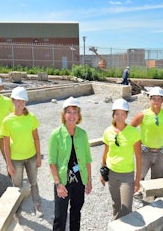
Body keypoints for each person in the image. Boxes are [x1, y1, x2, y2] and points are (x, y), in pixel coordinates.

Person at [48, 96, 92, 231]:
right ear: (64, 114)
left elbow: (88, 159)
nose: (72, 116)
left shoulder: (83, 134)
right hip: (62, 181)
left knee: (76, 213)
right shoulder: (56, 135)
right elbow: (52, 162)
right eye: (69, 112)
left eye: (75, 112)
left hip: (79, 179)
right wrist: (58, 184)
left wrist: (89, 180)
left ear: (79, 115)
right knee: (60, 216)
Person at [0, 86, 42, 216]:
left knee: (33, 182)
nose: (20, 104)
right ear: (12, 101)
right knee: (17, 186)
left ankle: (37, 204)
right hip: (15, 159)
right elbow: (6, 144)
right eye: (17, 101)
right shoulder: (7, 121)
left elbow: (36, 138)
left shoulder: (31, 118)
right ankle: (17, 209)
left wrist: (39, 157)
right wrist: (9, 164)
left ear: (25, 102)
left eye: (23, 101)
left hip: (31, 156)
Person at [100, 99, 142, 220]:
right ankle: (116, 224)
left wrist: (137, 180)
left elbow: (139, 158)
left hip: (127, 175)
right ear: (113, 115)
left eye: (122, 114)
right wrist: (102, 173)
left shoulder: (133, 132)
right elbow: (105, 153)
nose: (119, 117)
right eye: (117, 114)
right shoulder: (108, 132)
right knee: (116, 205)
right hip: (112, 173)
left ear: (127, 115)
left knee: (127, 208)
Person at [130, 87, 163, 180]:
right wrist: (138, 144)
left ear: (162, 100)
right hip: (145, 152)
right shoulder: (143, 115)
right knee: (140, 177)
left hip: (160, 153)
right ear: (150, 99)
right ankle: (137, 194)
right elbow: (130, 130)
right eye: (154, 99)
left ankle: (155, 195)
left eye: (159, 99)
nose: (156, 101)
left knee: (158, 181)